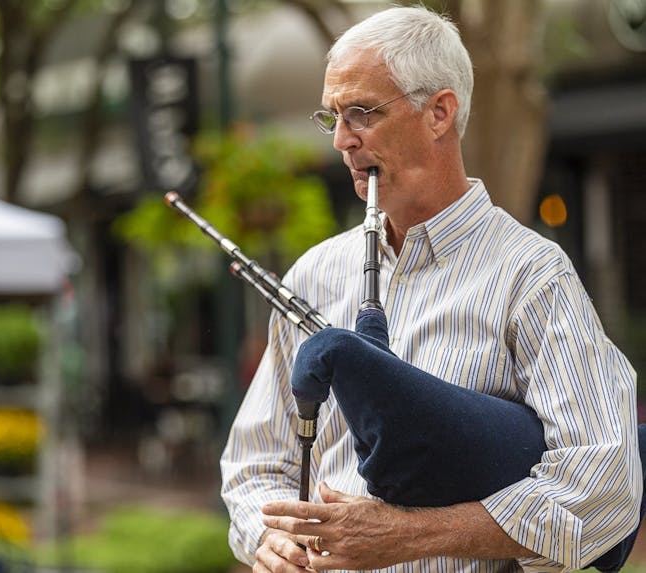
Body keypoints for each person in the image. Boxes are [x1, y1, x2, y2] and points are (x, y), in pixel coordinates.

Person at [220, 5, 642, 573]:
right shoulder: (315, 274)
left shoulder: (531, 275)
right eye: (332, 118)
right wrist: (268, 538)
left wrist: (410, 536)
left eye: (361, 113)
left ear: (439, 112)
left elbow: (604, 491)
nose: (342, 140)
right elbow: (255, 463)